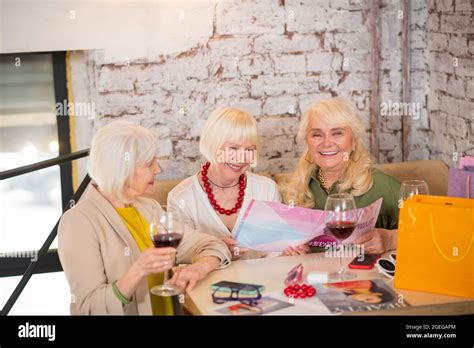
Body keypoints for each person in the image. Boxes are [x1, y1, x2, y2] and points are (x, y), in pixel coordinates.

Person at [58, 121, 231, 315]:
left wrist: (198, 268)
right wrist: (138, 270)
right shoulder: (78, 222)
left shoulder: (150, 208)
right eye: (149, 164)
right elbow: (88, 309)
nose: (158, 169)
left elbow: (212, 245)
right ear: (121, 169)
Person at [282, 97, 401, 255]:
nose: (327, 143)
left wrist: (391, 239)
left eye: (337, 133)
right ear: (307, 142)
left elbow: (430, 233)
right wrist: (288, 252)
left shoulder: (382, 185)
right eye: (317, 135)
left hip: (361, 278)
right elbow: (274, 252)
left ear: (353, 141)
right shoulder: (296, 190)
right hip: (311, 279)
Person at [167, 107, 282, 260]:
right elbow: (180, 256)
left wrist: (288, 250)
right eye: (233, 148)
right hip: (205, 282)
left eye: (249, 149)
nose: (241, 158)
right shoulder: (181, 198)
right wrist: (215, 247)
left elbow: (276, 252)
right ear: (212, 145)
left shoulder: (267, 190)